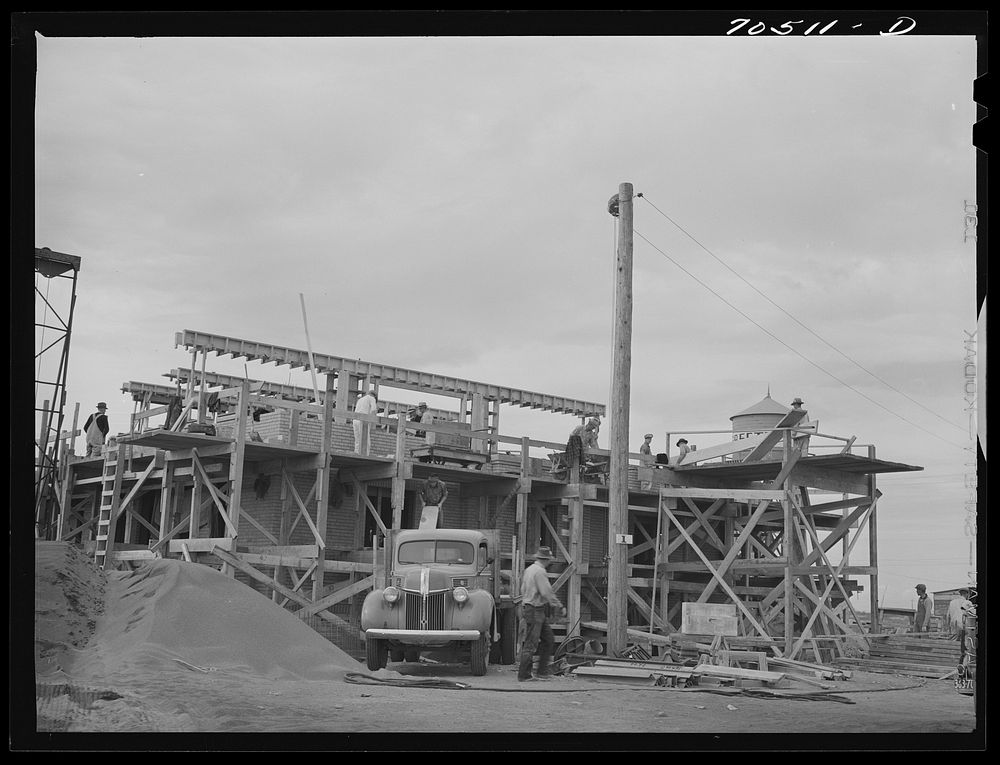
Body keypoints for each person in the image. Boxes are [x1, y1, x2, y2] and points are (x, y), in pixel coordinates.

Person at [517, 546, 566, 681]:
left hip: (530, 607)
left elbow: (523, 589)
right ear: (547, 559)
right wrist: (558, 605)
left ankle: (541, 672)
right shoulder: (540, 572)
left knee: (548, 639)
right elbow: (546, 592)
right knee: (532, 644)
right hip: (535, 608)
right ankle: (524, 675)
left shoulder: (529, 570)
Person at [352, 387, 378, 454]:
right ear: (374, 396)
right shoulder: (372, 398)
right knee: (366, 440)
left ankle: (357, 453)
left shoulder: (360, 399)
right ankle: (366, 455)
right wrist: (372, 420)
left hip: (355, 420)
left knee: (357, 439)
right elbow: (373, 410)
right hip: (363, 421)